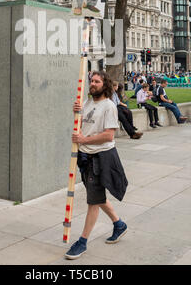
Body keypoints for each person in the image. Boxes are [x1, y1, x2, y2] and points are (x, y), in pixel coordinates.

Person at [65, 71, 128, 260]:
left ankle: (82, 242)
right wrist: (76, 111)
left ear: (105, 85)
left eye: (97, 81)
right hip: (85, 156)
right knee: (98, 196)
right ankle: (119, 224)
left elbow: (109, 135)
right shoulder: (86, 103)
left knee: (93, 200)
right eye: (91, 81)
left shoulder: (109, 106)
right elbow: (83, 124)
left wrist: (84, 139)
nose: (92, 84)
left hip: (101, 158)